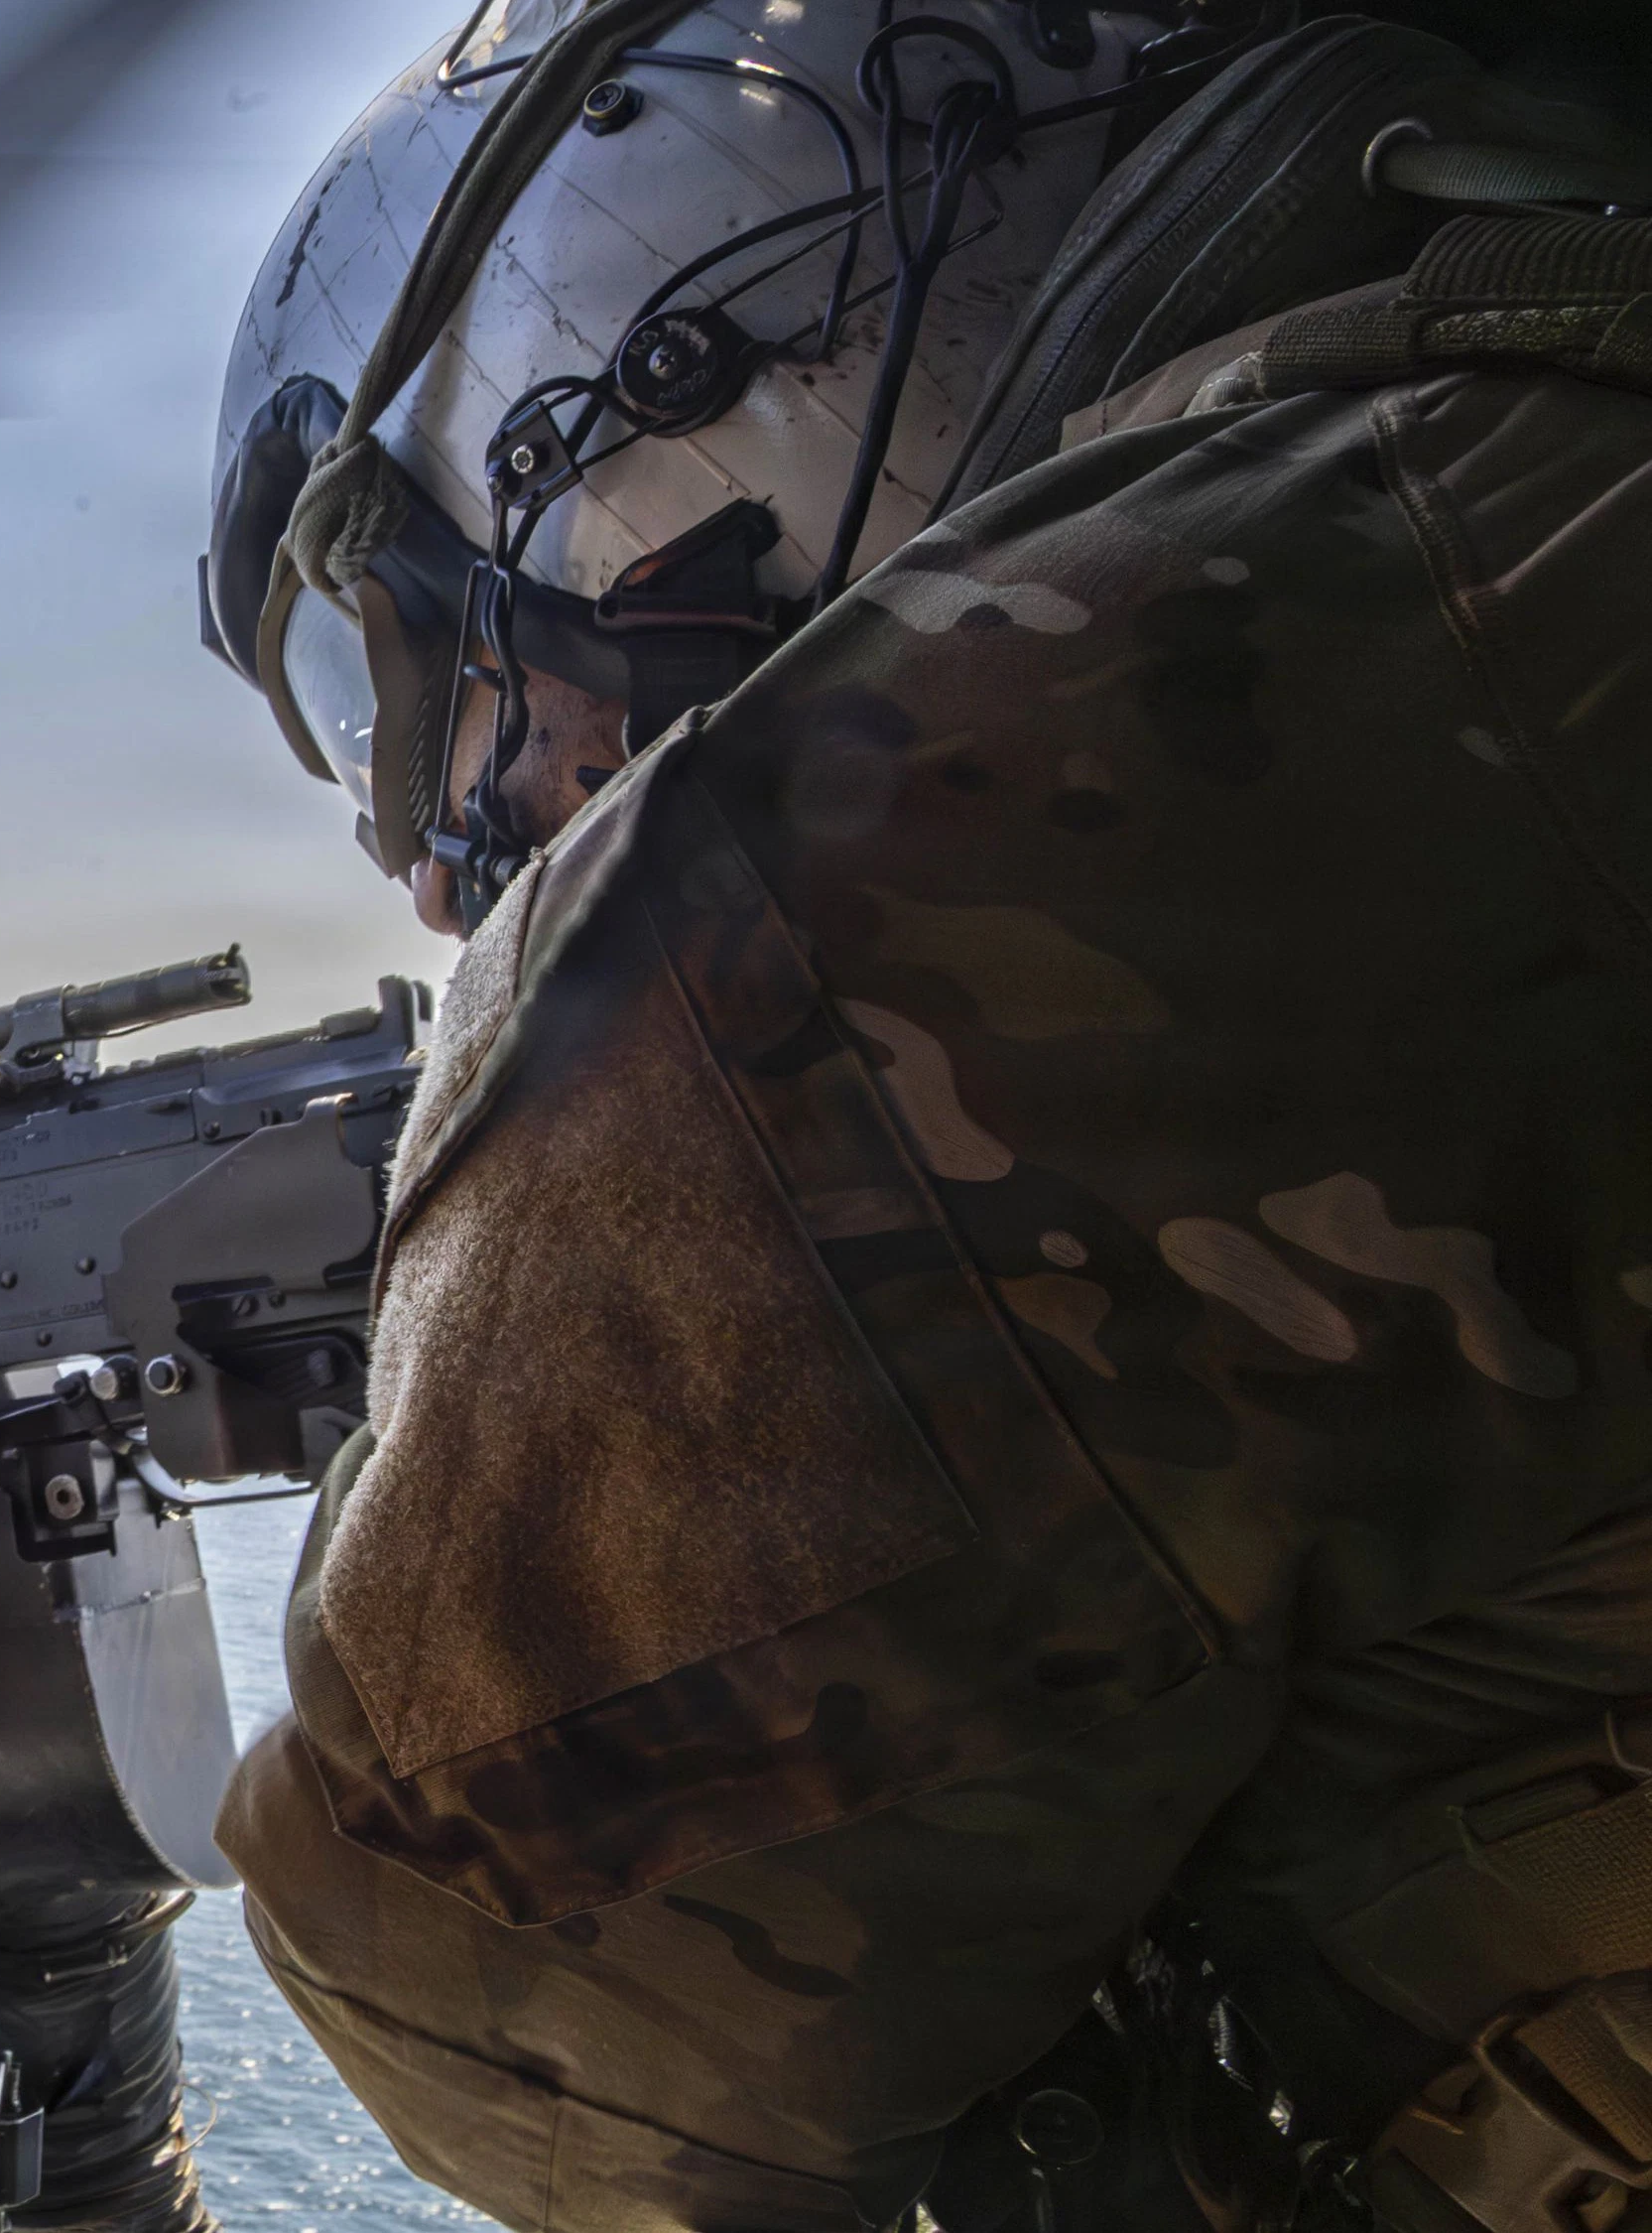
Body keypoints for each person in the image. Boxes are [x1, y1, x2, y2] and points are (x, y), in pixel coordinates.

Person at [198, 4, 1652, 2227]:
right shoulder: (1536, 455)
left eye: (399, 676)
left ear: (669, 407)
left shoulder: (1028, 755)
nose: (425, 853)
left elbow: (508, 2001)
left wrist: (460, 1318)